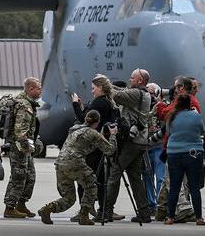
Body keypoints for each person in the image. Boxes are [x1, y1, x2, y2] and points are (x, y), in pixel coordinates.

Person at [39, 110, 118, 225]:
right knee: (91, 185)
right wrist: (113, 135)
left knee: (69, 198)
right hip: (74, 163)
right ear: (97, 122)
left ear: (86, 119)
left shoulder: (74, 129)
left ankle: (47, 209)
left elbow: (84, 146)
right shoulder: (93, 133)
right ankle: (84, 216)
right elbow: (110, 150)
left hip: (60, 163)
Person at [102, 68, 153, 223]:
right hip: (140, 142)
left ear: (140, 81)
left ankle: (106, 211)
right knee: (135, 177)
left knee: (114, 173)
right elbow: (123, 90)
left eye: (132, 78)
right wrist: (111, 84)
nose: (129, 79)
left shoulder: (136, 94)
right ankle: (144, 212)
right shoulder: (143, 94)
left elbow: (116, 95)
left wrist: (104, 84)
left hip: (130, 142)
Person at [68, 74, 116, 219]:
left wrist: (76, 104)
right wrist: (84, 107)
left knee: (84, 178)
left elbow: (84, 120)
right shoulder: (109, 102)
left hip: (90, 146)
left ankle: (85, 210)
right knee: (101, 179)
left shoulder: (98, 103)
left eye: (93, 88)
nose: (92, 91)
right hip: (101, 144)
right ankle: (103, 210)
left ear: (100, 88)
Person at [154, 76, 199, 222]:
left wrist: (159, 102)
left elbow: (165, 114)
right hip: (189, 149)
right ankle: (161, 208)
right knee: (171, 180)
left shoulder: (184, 102)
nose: (173, 90)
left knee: (173, 180)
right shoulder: (193, 104)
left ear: (181, 88)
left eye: (175, 87)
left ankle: (184, 208)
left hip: (176, 148)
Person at [164, 94, 205, 225]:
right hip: (193, 154)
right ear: (189, 103)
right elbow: (203, 131)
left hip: (174, 154)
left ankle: (170, 217)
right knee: (194, 186)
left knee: (175, 187)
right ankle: (199, 218)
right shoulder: (196, 116)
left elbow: (168, 132)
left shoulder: (171, 116)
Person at [3, 77, 41, 219]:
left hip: (25, 147)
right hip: (20, 148)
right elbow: (20, 133)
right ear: (30, 89)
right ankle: (10, 207)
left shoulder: (27, 103)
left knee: (30, 176)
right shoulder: (24, 105)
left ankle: (21, 204)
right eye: (38, 88)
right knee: (19, 177)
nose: (40, 91)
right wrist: (29, 147)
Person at [145, 82, 165, 211]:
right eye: (148, 93)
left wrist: (160, 106)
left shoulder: (163, 107)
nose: (150, 97)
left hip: (159, 146)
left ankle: (161, 203)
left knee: (160, 177)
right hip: (146, 147)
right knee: (147, 176)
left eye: (153, 93)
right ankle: (150, 203)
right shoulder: (142, 108)